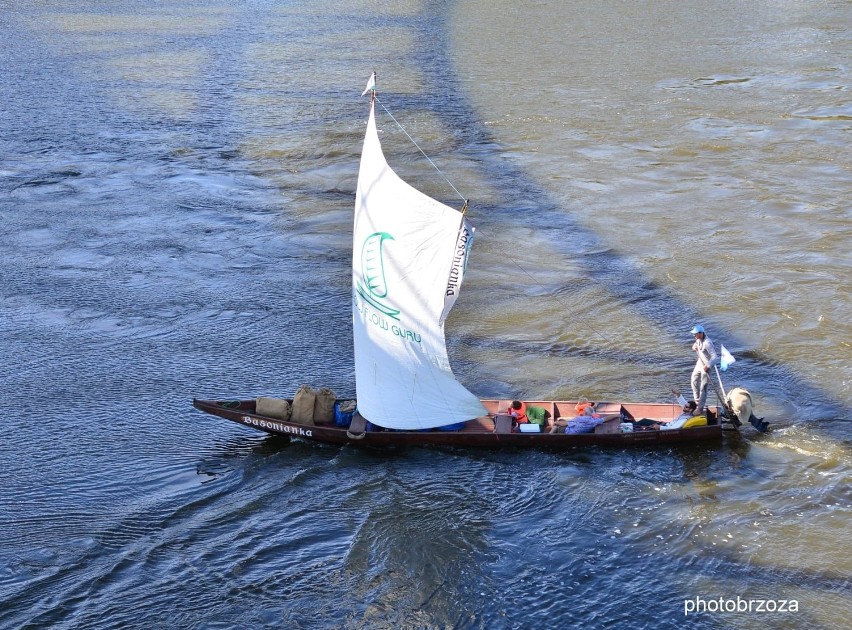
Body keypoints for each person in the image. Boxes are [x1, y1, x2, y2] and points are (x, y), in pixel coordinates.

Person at [690, 325, 719, 413]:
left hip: (707, 365)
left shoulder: (707, 343)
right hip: (700, 362)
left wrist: (708, 366)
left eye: (695, 334)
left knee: (703, 387)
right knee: (693, 380)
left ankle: (700, 408)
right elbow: (695, 345)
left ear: (701, 333)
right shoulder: (698, 339)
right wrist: (694, 346)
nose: (694, 335)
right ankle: (697, 400)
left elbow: (715, 357)